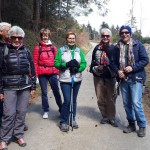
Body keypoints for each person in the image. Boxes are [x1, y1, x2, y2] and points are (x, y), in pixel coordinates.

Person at [0, 26, 36, 149]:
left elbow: (32, 68)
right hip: (9, 87)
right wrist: (0, 90)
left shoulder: (26, 50)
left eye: (19, 37)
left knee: (21, 112)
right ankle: (4, 139)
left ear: (22, 38)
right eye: (14, 37)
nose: (16, 39)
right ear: (10, 38)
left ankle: (18, 135)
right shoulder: (3, 50)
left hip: (24, 86)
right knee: (8, 114)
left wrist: (33, 86)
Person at [111, 25, 149, 137]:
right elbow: (112, 62)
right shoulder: (117, 47)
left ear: (130, 33)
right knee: (126, 103)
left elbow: (145, 60)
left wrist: (133, 67)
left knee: (136, 103)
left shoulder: (138, 45)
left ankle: (142, 125)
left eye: (126, 32)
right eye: (122, 33)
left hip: (136, 77)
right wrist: (118, 71)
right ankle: (131, 124)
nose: (124, 34)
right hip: (123, 79)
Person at [55, 32, 87, 132]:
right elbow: (56, 63)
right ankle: (63, 121)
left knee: (74, 100)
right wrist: (66, 64)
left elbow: (84, 63)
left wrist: (78, 69)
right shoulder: (61, 50)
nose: (72, 40)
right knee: (67, 100)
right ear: (66, 39)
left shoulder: (78, 51)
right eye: (70, 38)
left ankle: (72, 119)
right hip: (65, 79)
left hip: (77, 79)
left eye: (73, 38)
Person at [89, 28, 118, 127]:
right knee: (100, 98)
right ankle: (104, 116)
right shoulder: (97, 48)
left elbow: (117, 62)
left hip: (111, 76)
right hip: (98, 76)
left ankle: (112, 117)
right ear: (101, 37)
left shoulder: (115, 48)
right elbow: (92, 62)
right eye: (103, 36)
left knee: (111, 98)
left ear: (110, 37)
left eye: (107, 36)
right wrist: (96, 67)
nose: (105, 37)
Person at [33, 28, 62, 119]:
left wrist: (58, 74)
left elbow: (57, 61)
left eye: (46, 35)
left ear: (49, 36)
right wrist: (36, 76)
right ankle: (46, 110)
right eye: (43, 35)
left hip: (53, 73)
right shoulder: (37, 48)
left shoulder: (53, 48)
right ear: (41, 36)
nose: (45, 37)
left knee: (56, 91)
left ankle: (61, 109)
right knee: (44, 92)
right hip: (42, 73)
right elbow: (35, 63)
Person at [0, 22, 11, 125]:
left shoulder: (11, 44)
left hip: (10, 79)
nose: (10, 32)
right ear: (0, 32)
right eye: (8, 31)